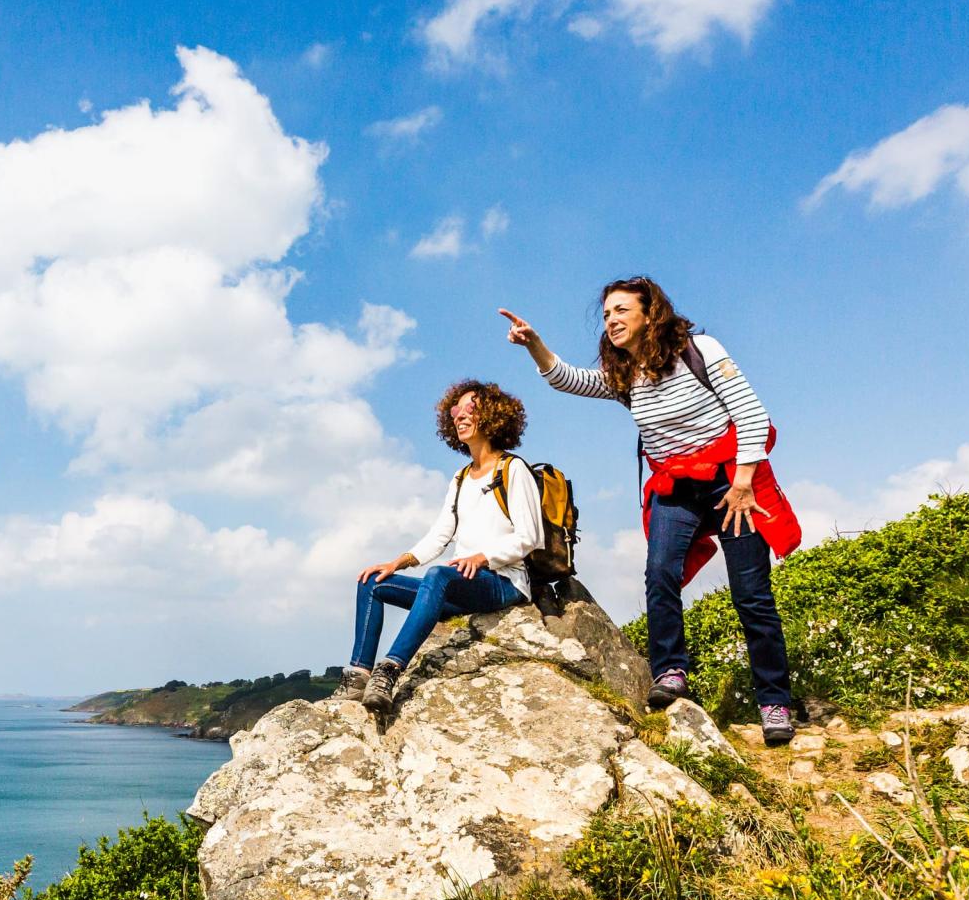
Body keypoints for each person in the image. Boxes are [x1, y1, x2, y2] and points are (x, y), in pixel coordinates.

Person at [499, 277, 803, 745]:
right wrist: (534, 345)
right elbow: (569, 379)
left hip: (730, 481)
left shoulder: (698, 350)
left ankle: (774, 701)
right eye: (606, 315)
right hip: (674, 486)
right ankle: (671, 671)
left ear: (649, 313)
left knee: (751, 593)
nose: (612, 320)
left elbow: (751, 413)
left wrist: (743, 483)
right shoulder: (623, 373)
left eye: (621, 310)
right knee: (660, 573)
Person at [338, 380, 542, 719]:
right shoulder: (462, 477)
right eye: (455, 411)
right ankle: (358, 676)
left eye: (470, 410)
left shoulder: (513, 469)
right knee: (371, 582)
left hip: (502, 582)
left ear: (492, 416)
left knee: (438, 575)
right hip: (459, 584)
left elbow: (529, 537)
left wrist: (482, 557)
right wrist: (397, 562)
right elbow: (440, 535)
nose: (460, 417)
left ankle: (389, 672)